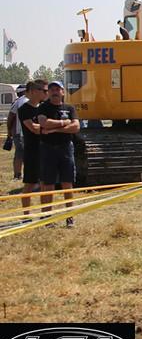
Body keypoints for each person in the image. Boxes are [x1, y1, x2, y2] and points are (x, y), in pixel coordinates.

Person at [36, 81, 80, 228]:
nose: (54, 92)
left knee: (67, 184)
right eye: (51, 89)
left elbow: (76, 127)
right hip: (48, 149)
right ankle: (47, 218)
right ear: (48, 92)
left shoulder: (69, 108)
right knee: (48, 184)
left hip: (66, 148)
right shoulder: (43, 107)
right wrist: (64, 123)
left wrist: (56, 129)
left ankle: (69, 217)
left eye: (57, 89)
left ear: (62, 92)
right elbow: (44, 123)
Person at [15, 80, 48, 220]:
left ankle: (44, 215)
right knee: (30, 183)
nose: (46, 93)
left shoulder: (44, 108)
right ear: (34, 91)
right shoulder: (24, 109)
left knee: (45, 183)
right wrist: (51, 128)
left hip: (46, 149)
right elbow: (33, 129)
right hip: (32, 151)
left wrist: (49, 128)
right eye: (44, 91)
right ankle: (26, 216)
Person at [6, 84, 27, 182]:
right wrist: (9, 131)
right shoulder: (18, 102)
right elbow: (10, 117)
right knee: (20, 153)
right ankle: (17, 174)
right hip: (18, 132)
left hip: (21, 132)